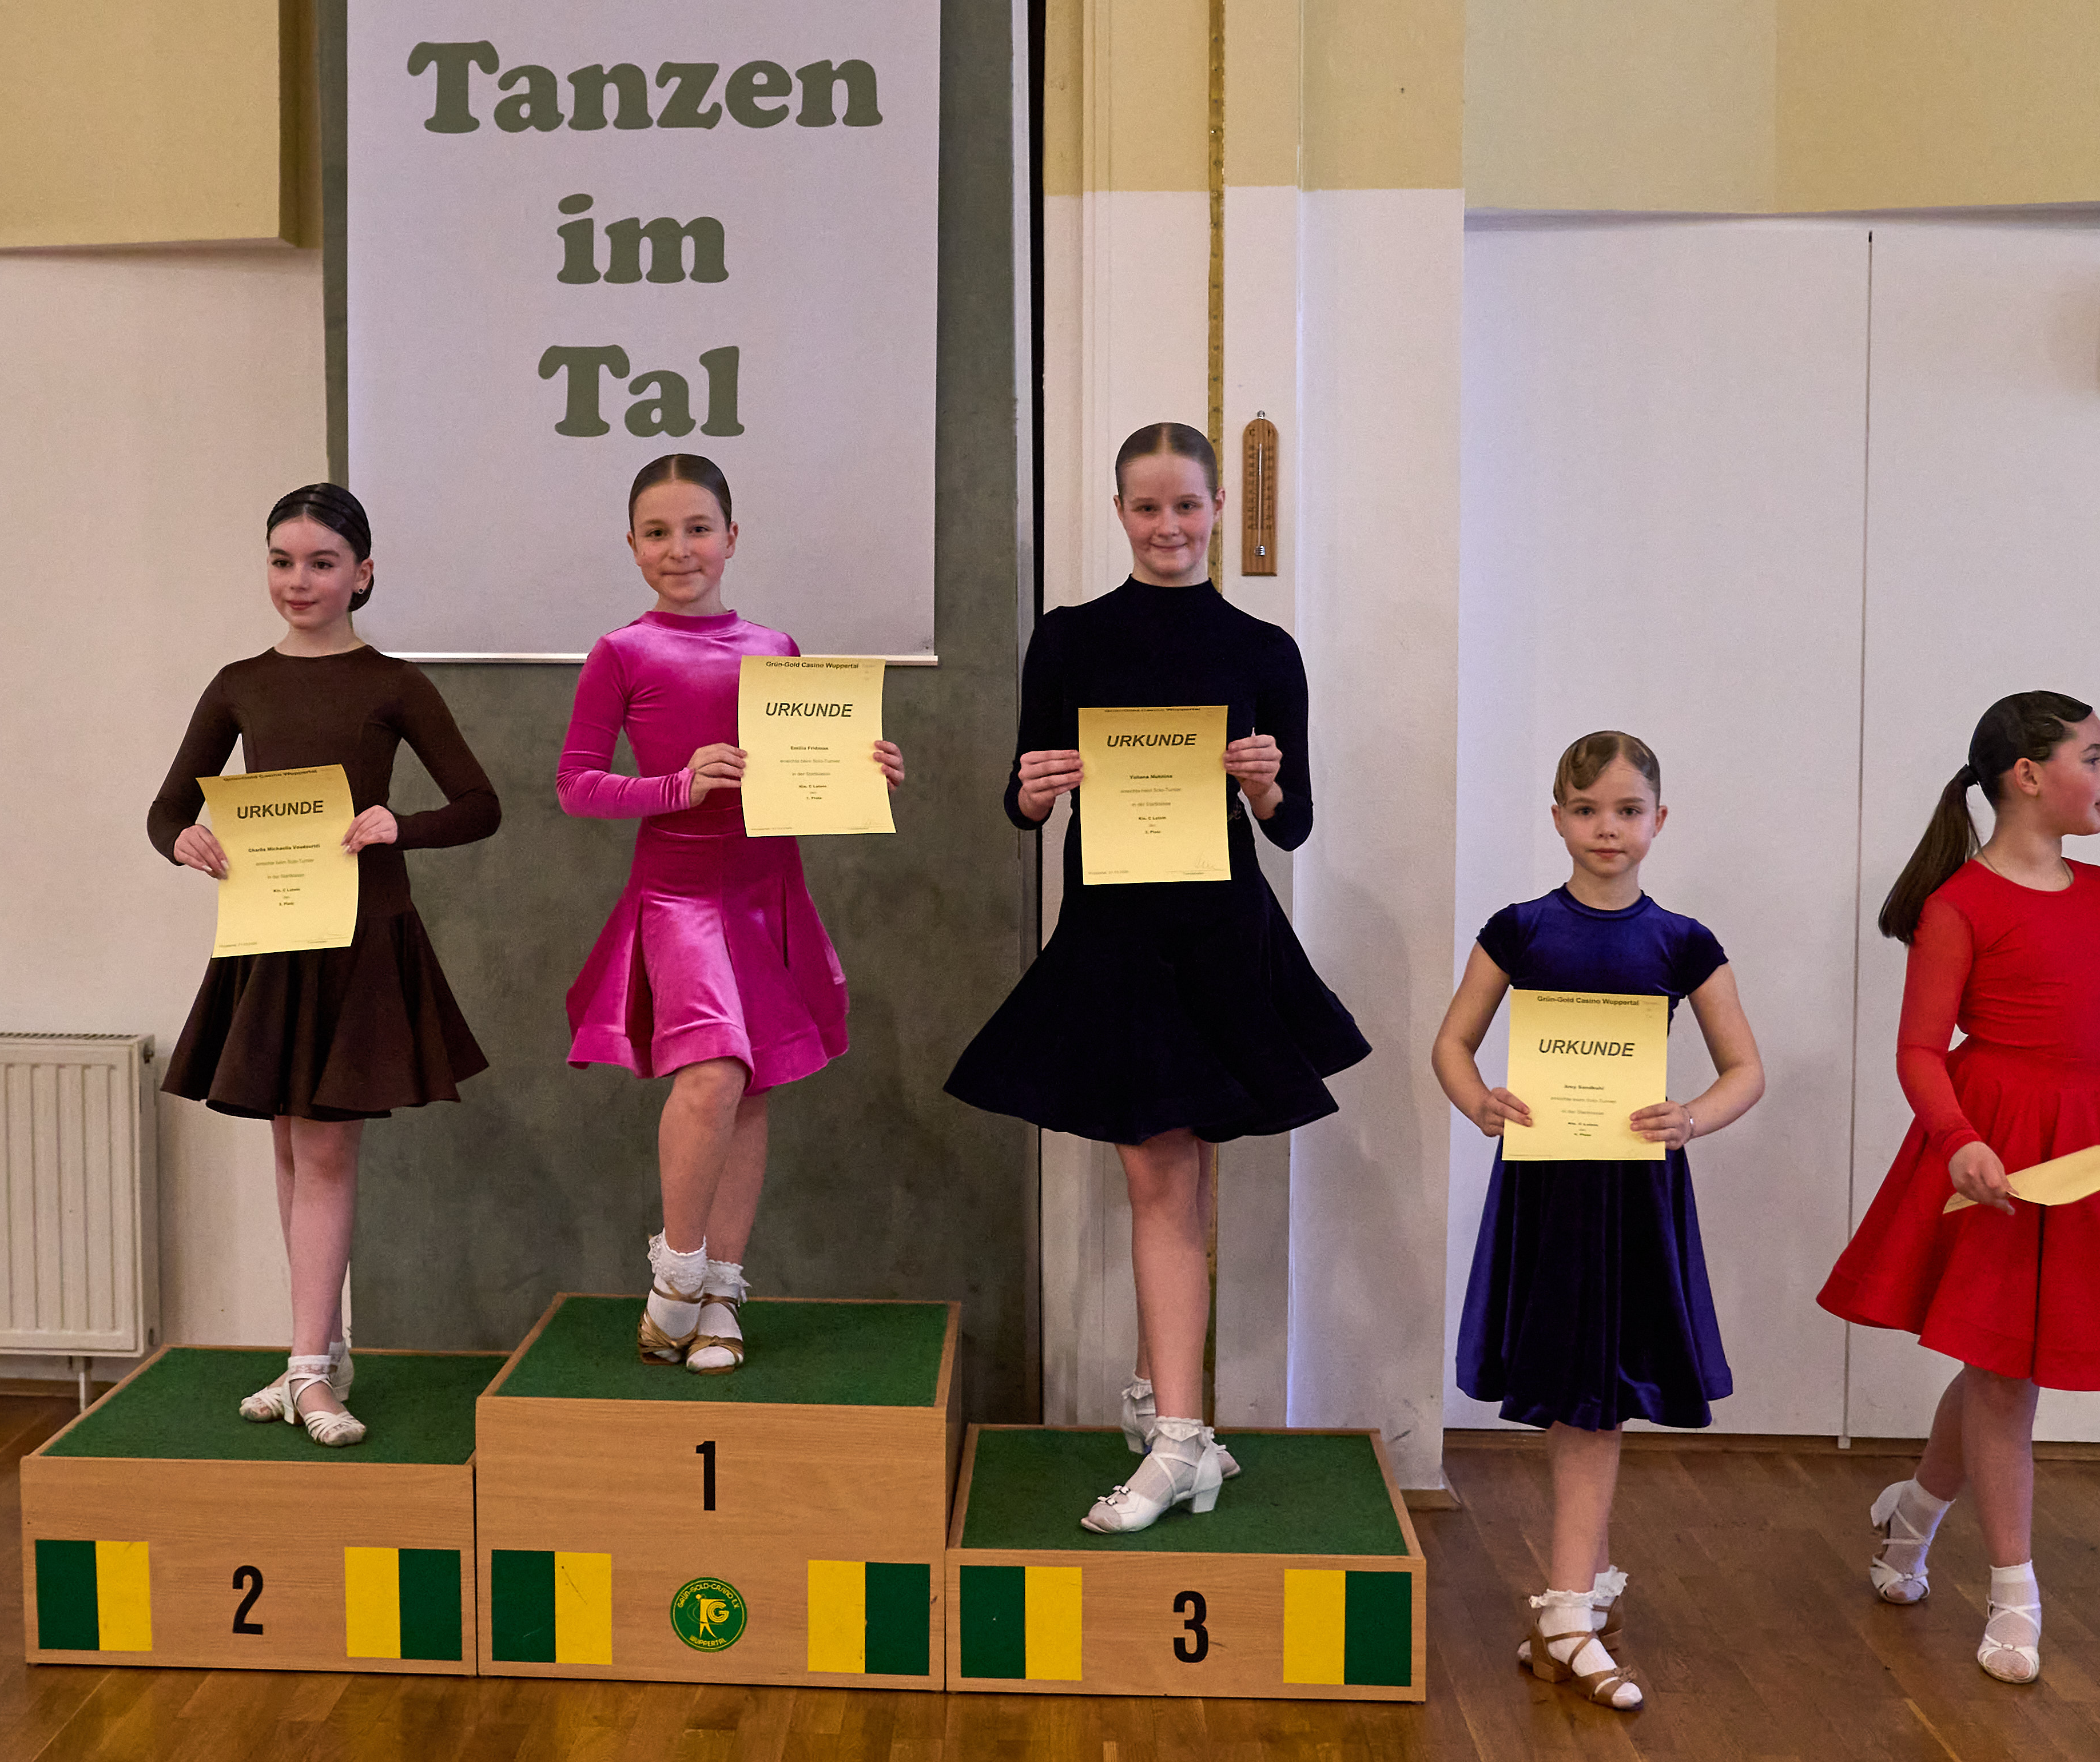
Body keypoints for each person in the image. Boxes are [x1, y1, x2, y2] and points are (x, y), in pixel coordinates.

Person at [945, 421, 1369, 1533]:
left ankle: (1174, 1432)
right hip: (1114, 932)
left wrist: (1265, 784)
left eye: (1186, 505)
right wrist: (1035, 788)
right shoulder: (1068, 636)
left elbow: (1294, 823)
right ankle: (1171, 1420)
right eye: (1147, 507)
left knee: (1173, 1174)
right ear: (1120, 512)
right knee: (1165, 1174)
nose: (1168, 525)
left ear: (1219, 508)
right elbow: (1021, 800)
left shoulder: (1264, 648)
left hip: (1222, 932)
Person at [1817, 693, 2100, 1684]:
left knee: (2005, 1363)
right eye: (2093, 757)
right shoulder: (1959, 903)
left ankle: (1911, 1514)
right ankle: (2013, 1590)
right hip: (1996, 1144)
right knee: (1999, 1369)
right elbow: (1917, 1049)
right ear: (2027, 775)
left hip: (2082, 1143)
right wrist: (1957, 1139)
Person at [148, 483, 499, 1446]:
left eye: (321, 563)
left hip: (362, 940)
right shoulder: (239, 682)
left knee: (326, 1148)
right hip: (269, 938)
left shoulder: (395, 684)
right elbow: (168, 807)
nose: (298, 580)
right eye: (282, 561)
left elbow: (478, 804)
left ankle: (308, 1368)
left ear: (363, 573)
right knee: (291, 1146)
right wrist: (184, 841)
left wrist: (398, 825)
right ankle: (319, 1350)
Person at [1435, 731, 1764, 1713]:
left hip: (1632, 1189)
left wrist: (1690, 1117)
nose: (1606, 828)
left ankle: (1574, 1604)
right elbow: (1452, 1042)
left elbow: (1745, 1068)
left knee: (1599, 1389)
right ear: (1556, 819)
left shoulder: (1682, 941)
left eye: (1626, 810)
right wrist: (1479, 1100)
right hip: (1546, 1187)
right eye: (1585, 810)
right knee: (1581, 1391)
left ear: (1659, 820)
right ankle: (1570, 1610)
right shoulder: (1519, 929)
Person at [557, 454, 903, 1373]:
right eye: (658, 532)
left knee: (751, 1089)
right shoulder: (622, 651)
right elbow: (576, 785)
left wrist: (862, 771)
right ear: (632, 545)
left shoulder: (776, 646)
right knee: (711, 1075)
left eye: (698, 528)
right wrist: (676, 784)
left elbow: (803, 774)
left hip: (764, 893)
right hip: (677, 896)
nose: (680, 549)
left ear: (732, 537)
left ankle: (721, 1294)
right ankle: (676, 1272)